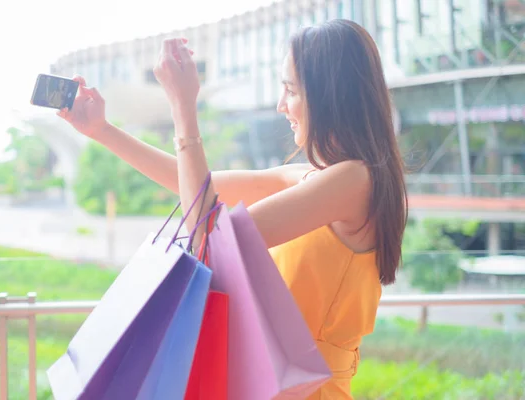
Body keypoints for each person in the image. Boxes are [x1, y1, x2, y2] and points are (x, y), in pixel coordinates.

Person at [58, 20, 407, 400]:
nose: (280, 105)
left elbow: (206, 232)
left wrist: (183, 108)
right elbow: (191, 187)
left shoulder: (354, 182)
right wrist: (100, 130)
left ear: (329, 95)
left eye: (290, 89)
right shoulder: (315, 178)